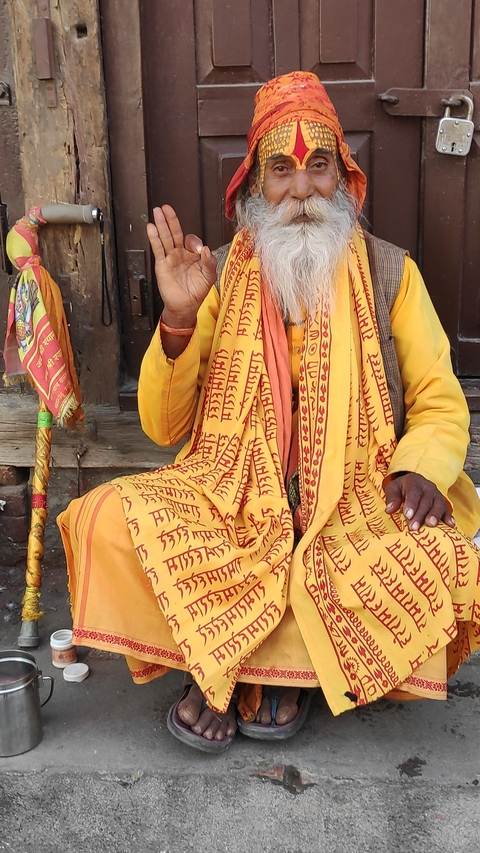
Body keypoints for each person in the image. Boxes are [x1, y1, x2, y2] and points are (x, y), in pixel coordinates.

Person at [58, 71, 480, 753]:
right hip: (229, 504)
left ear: (343, 179)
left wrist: (422, 468)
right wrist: (177, 319)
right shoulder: (218, 274)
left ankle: (230, 667)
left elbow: (438, 398)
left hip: (353, 508)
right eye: (281, 170)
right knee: (106, 518)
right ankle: (280, 671)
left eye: (319, 167)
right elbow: (165, 429)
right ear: (254, 187)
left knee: (441, 556)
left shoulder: (391, 273)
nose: (303, 190)